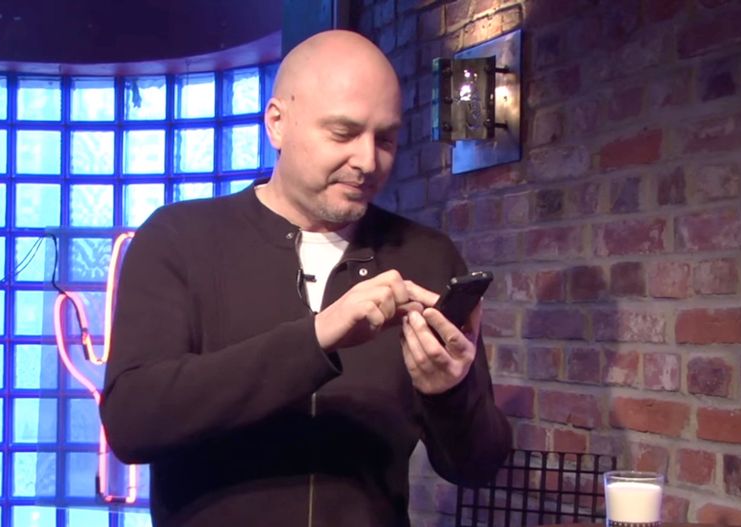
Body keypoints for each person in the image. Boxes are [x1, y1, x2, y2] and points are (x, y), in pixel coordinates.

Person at [101, 29, 511, 527]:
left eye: (385, 138)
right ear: (277, 123)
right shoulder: (179, 239)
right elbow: (132, 422)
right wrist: (316, 337)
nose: (367, 161)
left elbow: (477, 466)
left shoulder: (426, 256)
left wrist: (451, 393)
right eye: (342, 133)